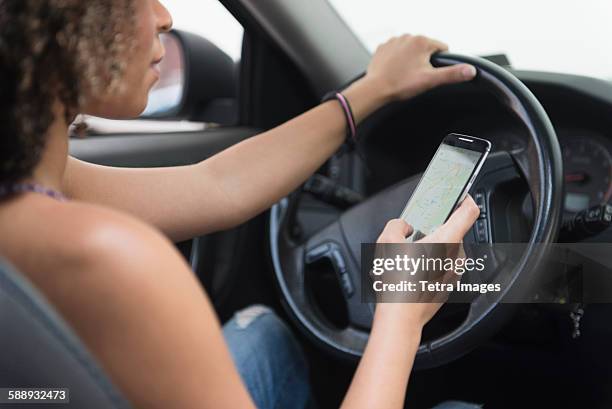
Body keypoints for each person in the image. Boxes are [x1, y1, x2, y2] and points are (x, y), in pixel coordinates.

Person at [0, 1, 481, 408]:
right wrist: (401, 315)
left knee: (265, 336)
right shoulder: (111, 259)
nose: (164, 16)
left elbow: (216, 184)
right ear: (56, 26)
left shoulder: (34, 186)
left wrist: (371, 91)